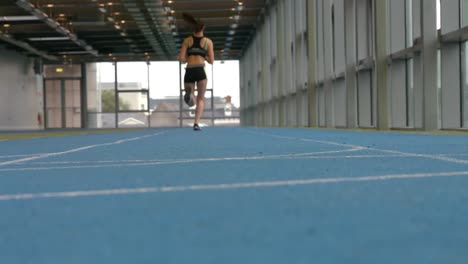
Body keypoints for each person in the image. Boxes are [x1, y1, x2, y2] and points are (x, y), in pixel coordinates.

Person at [178, 13, 215, 131]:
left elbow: (181, 59)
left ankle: (190, 96)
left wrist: (187, 58)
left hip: (189, 69)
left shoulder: (187, 40)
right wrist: (203, 56)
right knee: (201, 98)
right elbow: (212, 61)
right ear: (203, 28)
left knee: (191, 101)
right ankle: (196, 123)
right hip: (200, 69)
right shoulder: (208, 42)